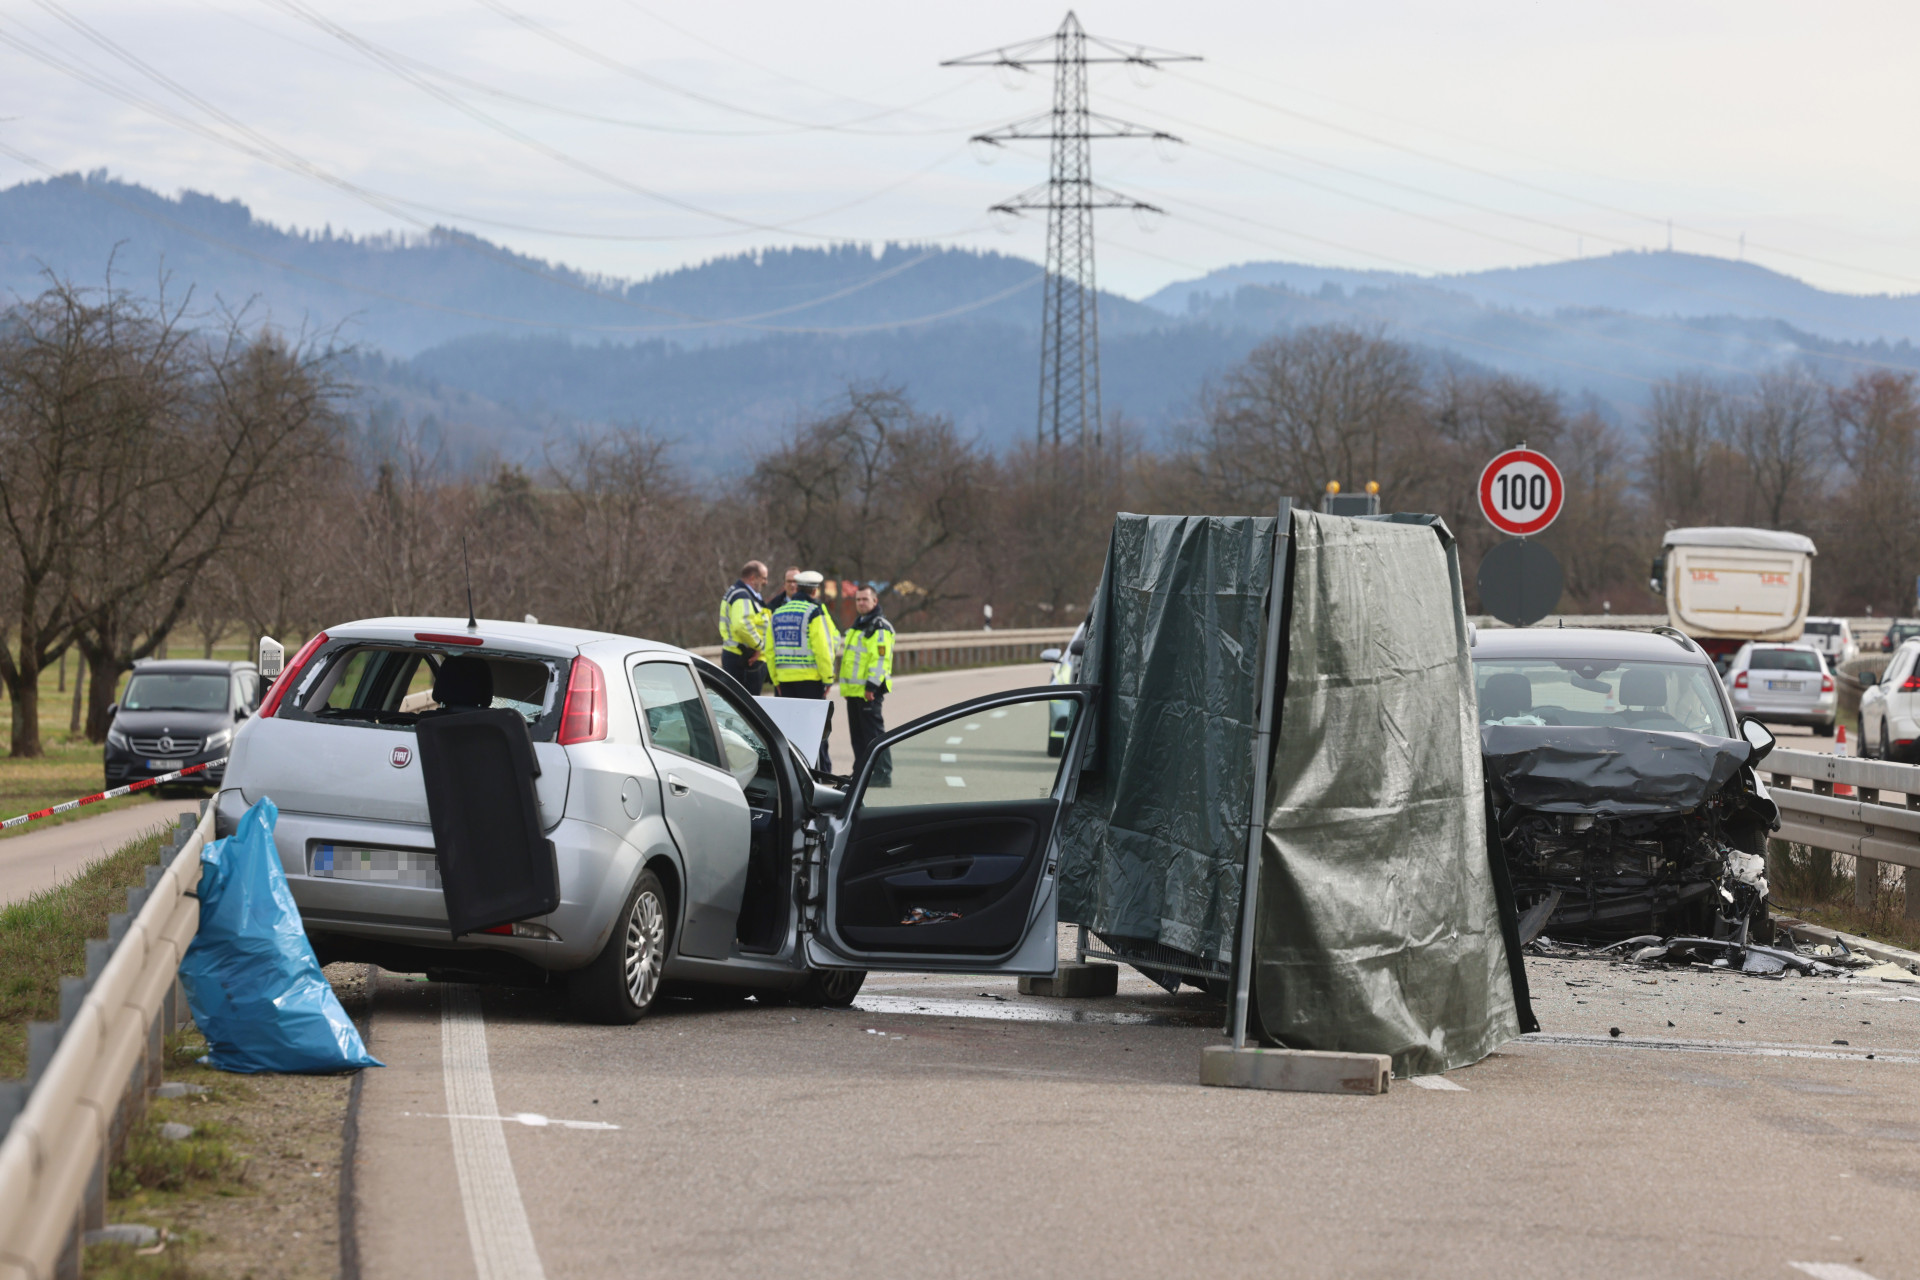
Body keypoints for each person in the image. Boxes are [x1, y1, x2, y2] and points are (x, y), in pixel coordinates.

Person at [769, 570, 838, 772]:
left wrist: (776, 680)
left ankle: (795, 775)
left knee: (790, 733)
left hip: (785, 681)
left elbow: (770, 650)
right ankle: (817, 775)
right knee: (814, 733)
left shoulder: (778, 612)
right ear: (815, 591)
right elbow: (822, 648)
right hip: (810, 680)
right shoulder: (813, 612)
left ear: (797, 588)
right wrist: (827, 678)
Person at [839, 585, 895, 786]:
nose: (861, 603)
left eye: (865, 599)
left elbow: (880, 661)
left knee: (874, 735)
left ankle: (882, 774)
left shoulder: (879, 627)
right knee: (858, 736)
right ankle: (861, 773)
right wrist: (846, 689)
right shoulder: (857, 626)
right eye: (858, 600)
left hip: (869, 691)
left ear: (874, 601)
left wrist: (871, 687)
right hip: (854, 692)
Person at [716, 560, 771, 696]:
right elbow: (742, 625)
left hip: (739, 656)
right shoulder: (742, 596)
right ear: (753, 578)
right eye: (763, 578)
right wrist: (759, 646)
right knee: (748, 709)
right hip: (745, 658)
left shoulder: (737, 592)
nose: (766, 582)